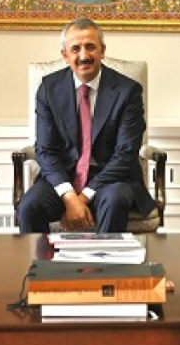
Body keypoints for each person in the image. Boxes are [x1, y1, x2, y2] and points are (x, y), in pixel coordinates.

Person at [16, 17, 155, 233]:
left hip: (112, 179)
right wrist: (69, 196)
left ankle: (107, 256)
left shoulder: (128, 91)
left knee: (114, 201)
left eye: (90, 47)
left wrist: (82, 198)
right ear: (65, 55)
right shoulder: (49, 89)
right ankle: (41, 257)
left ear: (102, 51)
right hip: (63, 176)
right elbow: (45, 150)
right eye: (75, 49)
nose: (83, 56)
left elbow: (126, 154)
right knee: (29, 207)